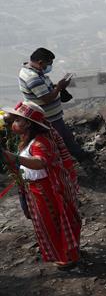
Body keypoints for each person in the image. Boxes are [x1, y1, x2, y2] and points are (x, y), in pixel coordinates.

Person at [2, 102, 81, 270]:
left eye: (18, 119)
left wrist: (12, 157)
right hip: (36, 189)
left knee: (53, 222)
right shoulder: (28, 139)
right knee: (46, 223)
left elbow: (40, 163)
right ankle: (64, 252)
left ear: (28, 123)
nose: (15, 123)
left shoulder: (41, 142)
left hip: (46, 190)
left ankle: (67, 258)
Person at [18, 47, 86, 160]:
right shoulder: (32, 78)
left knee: (66, 135)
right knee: (59, 139)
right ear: (40, 62)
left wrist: (54, 87)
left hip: (52, 116)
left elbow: (42, 90)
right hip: (48, 118)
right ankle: (68, 161)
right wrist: (59, 87)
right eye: (49, 64)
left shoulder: (33, 71)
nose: (49, 67)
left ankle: (77, 154)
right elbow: (47, 99)